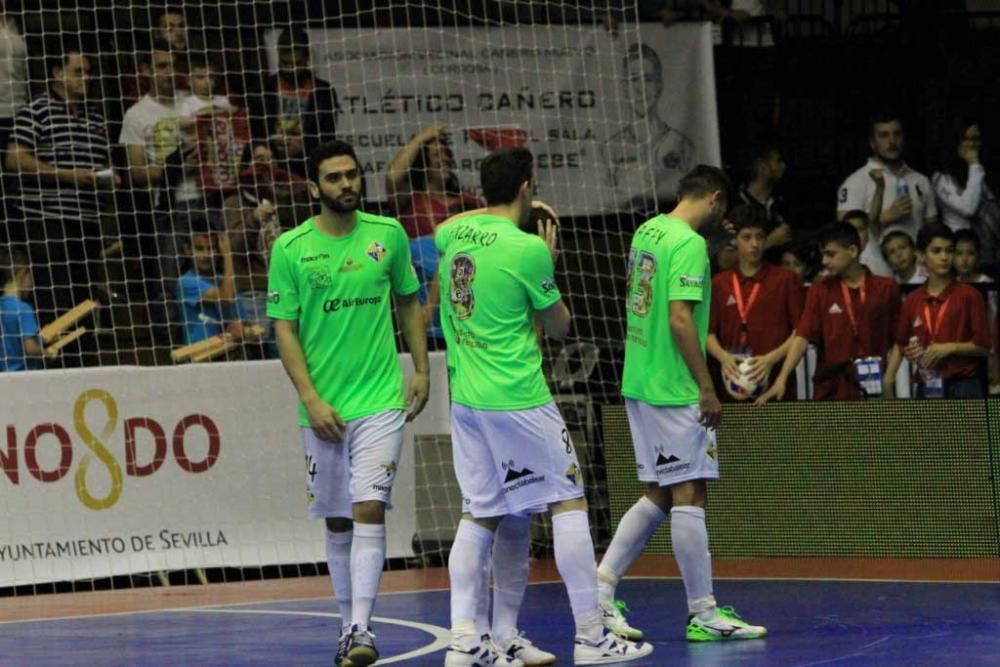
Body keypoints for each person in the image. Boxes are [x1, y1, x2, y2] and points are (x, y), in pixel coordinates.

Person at [437, 147, 651, 665]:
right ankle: (592, 638)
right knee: (567, 500)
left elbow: (460, 219)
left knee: (482, 513)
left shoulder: (452, 235)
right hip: (518, 398)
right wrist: (548, 261)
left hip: (466, 398)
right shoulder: (527, 250)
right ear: (528, 187)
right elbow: (560, 326)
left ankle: (468, 640)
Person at [267, 140, 429, 667]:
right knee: (338, 522)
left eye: (352, 175)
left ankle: (362, 628)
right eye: (334, 178)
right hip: (323, 411)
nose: (346, 185)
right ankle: (346, 628)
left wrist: (422, 369)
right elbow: (284, 329)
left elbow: (409, 300)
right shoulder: (290, 249)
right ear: (315, 188)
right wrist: (310, 398)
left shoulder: (388, 237)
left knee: (368, 508)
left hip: (381, 400)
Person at [597, 165, 767, 644]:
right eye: (725, 210)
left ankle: (601, 588)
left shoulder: (649, 229)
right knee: (690, 493)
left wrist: (711, 244)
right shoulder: (690, 244)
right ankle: (704, 613)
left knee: (660, 490)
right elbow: (677, 319)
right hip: (672, 387)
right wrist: (706, 387)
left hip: (639, 377)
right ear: (715, 199)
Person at [6, 39, 116, 364]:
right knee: (56, 299)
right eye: (77, 72)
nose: (86, 78)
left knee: (85, 300)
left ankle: (83, 363)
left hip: (86, 222)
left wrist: (109, 178)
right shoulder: (35, 109)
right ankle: (57, 364)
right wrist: (68, 176)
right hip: (47, 222)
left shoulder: (95, 116)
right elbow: (14, 158)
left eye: (88, 72)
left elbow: (98, 161)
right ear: (57, 73)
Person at [757, 222, 901, 403]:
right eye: (823, 254)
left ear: (853, 251)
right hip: (831, 391)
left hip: (875, 388)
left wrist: (889, 378)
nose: (824, 261)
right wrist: (782, 378)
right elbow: (802, 337)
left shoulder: (886, 288)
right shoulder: (819, 291)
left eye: (830, 254)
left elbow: (900, 339)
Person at [386, 124, 483, 341]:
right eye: (435, 155)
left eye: (445, 153)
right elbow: (392, 177)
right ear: (421, 163)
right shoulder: (411, 200)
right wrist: (421, 138)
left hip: (464, 300)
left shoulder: (468, 202)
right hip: (422, 308)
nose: (444, 159)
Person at [707, 205, 804, 400]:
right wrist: (723, 357)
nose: (754, 244)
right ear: (734, 240)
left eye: (760, 237)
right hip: (732, 381)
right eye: (747, 237)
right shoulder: (720, 283)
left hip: (775, 381)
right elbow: (707, 333)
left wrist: (770, 360)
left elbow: (800, 333)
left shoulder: (785, 279)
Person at [885, 224, 989, 399]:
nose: (944, 257)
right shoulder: (912, 300)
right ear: (921, 255)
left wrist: (949, 347)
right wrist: (888, 379)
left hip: (964, 384)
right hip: (927, 384)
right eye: (937, 251)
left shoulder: (970, 295)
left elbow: (984, 346)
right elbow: (901, 343)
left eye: (949, 251)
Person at [837, 111, 938, 277]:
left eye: (896, 134)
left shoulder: (921, 181)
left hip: (916, 278)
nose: (892, 141)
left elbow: (932, 232)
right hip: (873, 274)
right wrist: (886, 216)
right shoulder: (856, 182)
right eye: (884, 135)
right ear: (872, 143)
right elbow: (842, 232)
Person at [604, 42, 694, 212]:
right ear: (624, 87)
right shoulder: (610, 148)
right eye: (634, 79)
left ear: (659, 85)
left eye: (648, 79)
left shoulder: (681, 145)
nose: (641, 89)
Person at [247, 28, 338, 179]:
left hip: (309, 166)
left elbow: (328, 136)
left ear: (307, 58)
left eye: (297, 63)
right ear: (278, 57)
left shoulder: (323, 92)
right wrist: (270, 146)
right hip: (270, 167)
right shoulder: (262, 89)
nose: (292, 70)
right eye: (286, 63)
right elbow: (253, 135)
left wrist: (303, 147)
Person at [932, 120, 999, 265]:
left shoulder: (983, 173)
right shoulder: (941, 178)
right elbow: (969, 208)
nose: (970, 144)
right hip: (958, 254)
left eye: (975, 139)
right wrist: (974, 164)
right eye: (965, 139)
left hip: (986, 249)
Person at [175, 224, 249, 348]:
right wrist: (228, 255)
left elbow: (243, 318)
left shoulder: (223, 281)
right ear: (187, 250)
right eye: (199, 248)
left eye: (211, 248)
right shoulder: (185, 281)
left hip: (226, 353)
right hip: (200, 355)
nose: (206, 255)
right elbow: (226, 297)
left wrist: (240, 324)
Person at [0, 246, 54, 371]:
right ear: (24, 272)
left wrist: (39, 337)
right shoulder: (24, 309)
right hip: (26, 378)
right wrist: (48, 352)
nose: (32, 283)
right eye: (31, 277)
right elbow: (30, 349)